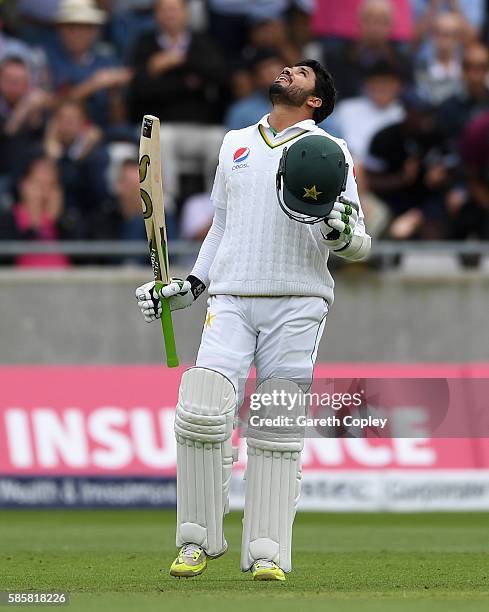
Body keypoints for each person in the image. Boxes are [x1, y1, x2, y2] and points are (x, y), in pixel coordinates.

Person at [135, 59, 371, 581]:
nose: (289, 70)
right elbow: (221, 226)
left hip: (299, 299)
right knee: (200, 410)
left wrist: (339, 235)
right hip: (231, 295)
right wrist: (192, 286)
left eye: (303, 72)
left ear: (316, 101)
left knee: (276, 428)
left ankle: (266, 551)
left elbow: (359, 241)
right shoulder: (235, 142)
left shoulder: (330, 152)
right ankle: (197, 541)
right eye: (290, 67)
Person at [129, 0, 227, 212]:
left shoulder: (203, 43)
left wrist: (176, 62)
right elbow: (140, 88)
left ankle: (215, 206)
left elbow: (220, 77)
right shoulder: (145, 44)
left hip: (201, 129)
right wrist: (188, 81)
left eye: (175, 9)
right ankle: (165, 205)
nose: (170, 15)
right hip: (163, 127)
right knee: (161, 138)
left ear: (186, 14)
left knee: (221, 138)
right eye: (164, 10)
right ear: (156, 15)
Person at [47, 0, 132, 127]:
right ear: (60, 30)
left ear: (94, 31)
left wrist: (114, 93)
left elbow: (119, 120)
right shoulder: (48, 59)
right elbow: (51, 105)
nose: (77, 34)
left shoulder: (107, 59)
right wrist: (93, 84)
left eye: (84, 27)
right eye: (70, 27)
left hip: (104, 132)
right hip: (61, 132)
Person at [324, 0, 412, 100]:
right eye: (369, 20)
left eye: (382, 21)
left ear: (391, 26)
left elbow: (407, 96)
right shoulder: (339, 57)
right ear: (359, 23)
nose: (375, 28)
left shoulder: (402, 61)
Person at [415, 11, 464, 105]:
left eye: (448, 35)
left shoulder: (466, 67)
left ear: (458, 38)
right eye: (438, 34)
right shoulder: (421, 68)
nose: (443, 41)